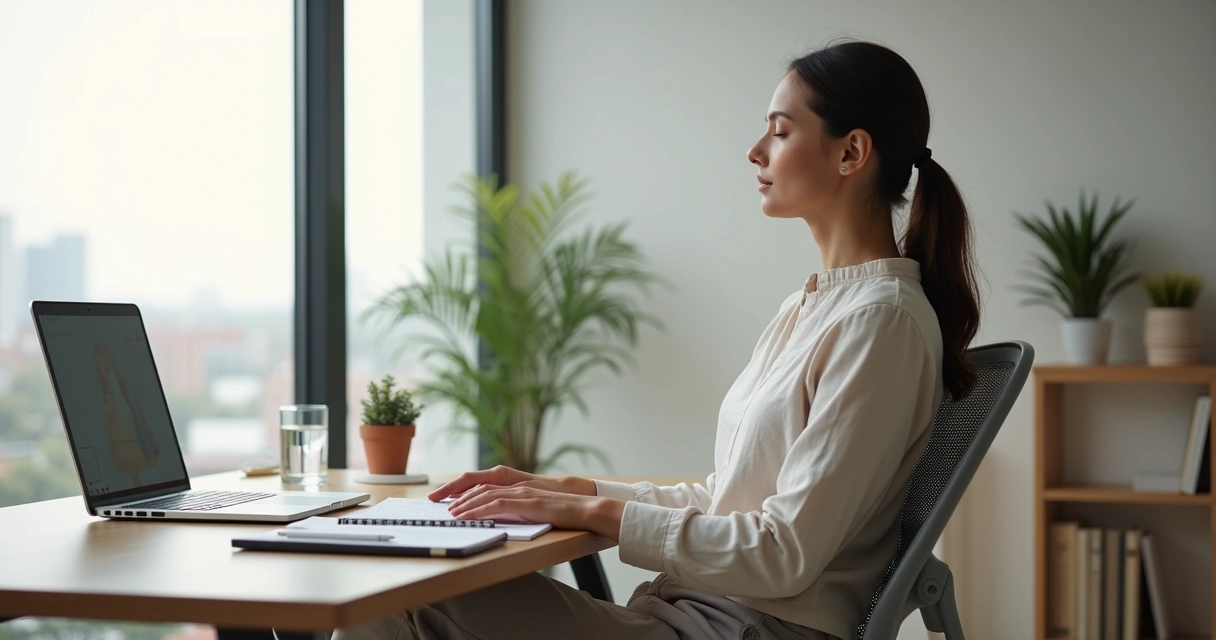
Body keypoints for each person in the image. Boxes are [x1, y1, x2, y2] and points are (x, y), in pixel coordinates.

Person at [334, 39, 981, 640]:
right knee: (392, 589)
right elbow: (727, 497)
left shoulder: (881, 321)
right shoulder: (814, 306)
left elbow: (783, 554)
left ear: (850, 153)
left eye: (781, 132)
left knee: (394, 597)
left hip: (743, 628)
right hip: (694, 611)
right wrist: (570, 493)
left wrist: (598, 518)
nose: (756, 151)